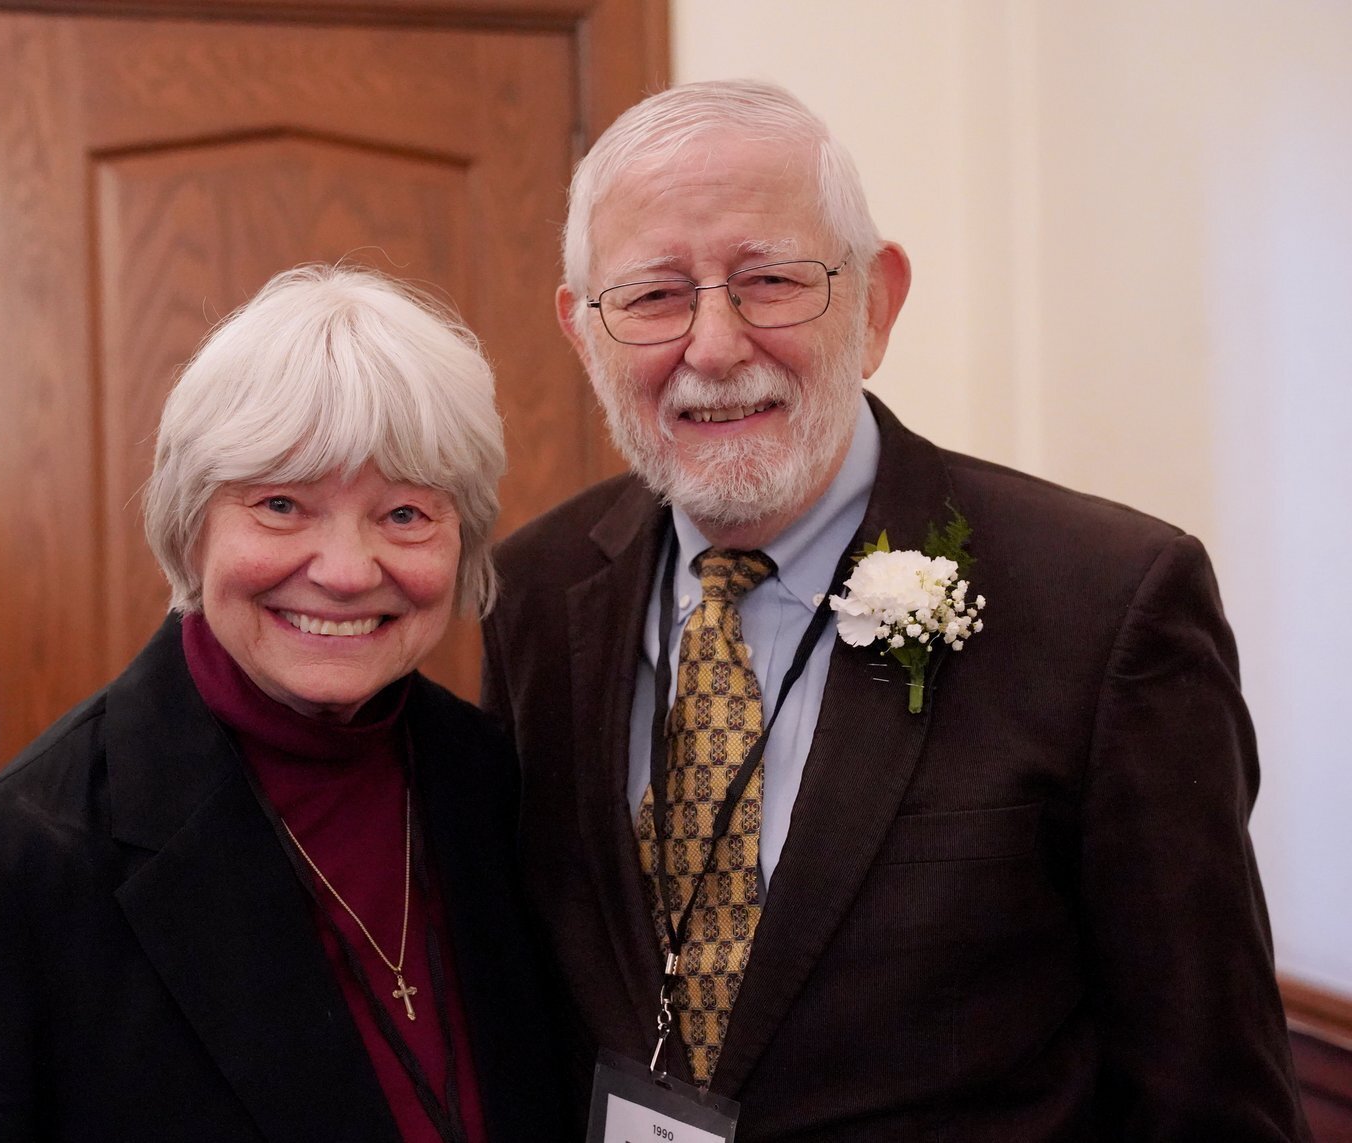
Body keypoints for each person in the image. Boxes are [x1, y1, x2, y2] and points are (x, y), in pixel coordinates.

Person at [481, 79, 1308, 1139]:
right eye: (652, 296)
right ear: (582, 331)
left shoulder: (1107, 606)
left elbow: (1210, 1097)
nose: (715, 346)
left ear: (875, 303)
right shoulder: (534, 595)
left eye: (771, 280)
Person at [0, 265, 563, 1141]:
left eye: (406, 514)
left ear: (463, 540)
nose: (346, 571)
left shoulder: (498, 782)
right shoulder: (15, 859)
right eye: (281, 504)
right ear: (193, 528)